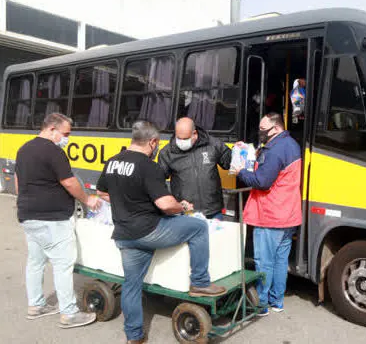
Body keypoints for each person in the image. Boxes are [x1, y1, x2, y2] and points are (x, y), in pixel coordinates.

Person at [96, 120, 226, 344]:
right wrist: (182, 207)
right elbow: (166, 205)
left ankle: (134, 337)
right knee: (198, 227)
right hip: (149, 230)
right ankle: (200, 283)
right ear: (153, 142)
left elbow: (102, 192)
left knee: (131, 285)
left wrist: (126, 202)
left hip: (124, 235)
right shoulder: (148, 166)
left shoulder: (113, 162)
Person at [15, 112, 100, 328]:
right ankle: (69, 313)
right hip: (52, 218)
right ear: (52, 129)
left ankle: (36, 305)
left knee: (35, 262)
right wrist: (87, 199)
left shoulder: (24, 149)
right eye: (66, 133)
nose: (67, 138)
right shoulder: (54, 152)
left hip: (28, 216)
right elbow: (70, 182)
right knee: (63, 265)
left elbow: (18, 183)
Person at [232, 113, 302, 316]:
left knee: (264, 262)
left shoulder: (275, 150)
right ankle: (277, 302)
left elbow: (262, 181)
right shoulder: (290, 144)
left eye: (263, 129)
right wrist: (246, 150)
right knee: (281, 261)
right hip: (288, 214)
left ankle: (261, 304)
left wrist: (240, 173)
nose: (260, 131)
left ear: (276, 128)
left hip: (270, 215)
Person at [158, 117, 231, 220]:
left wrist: (238, 152)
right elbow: (158, 182)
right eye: (178, 138)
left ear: (195, 134)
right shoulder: (167, 152)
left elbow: (228, 163)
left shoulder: (212, 144)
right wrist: (174, 204)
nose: (181, 142)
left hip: (213, 211)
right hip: (185, 213)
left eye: (185, 139)